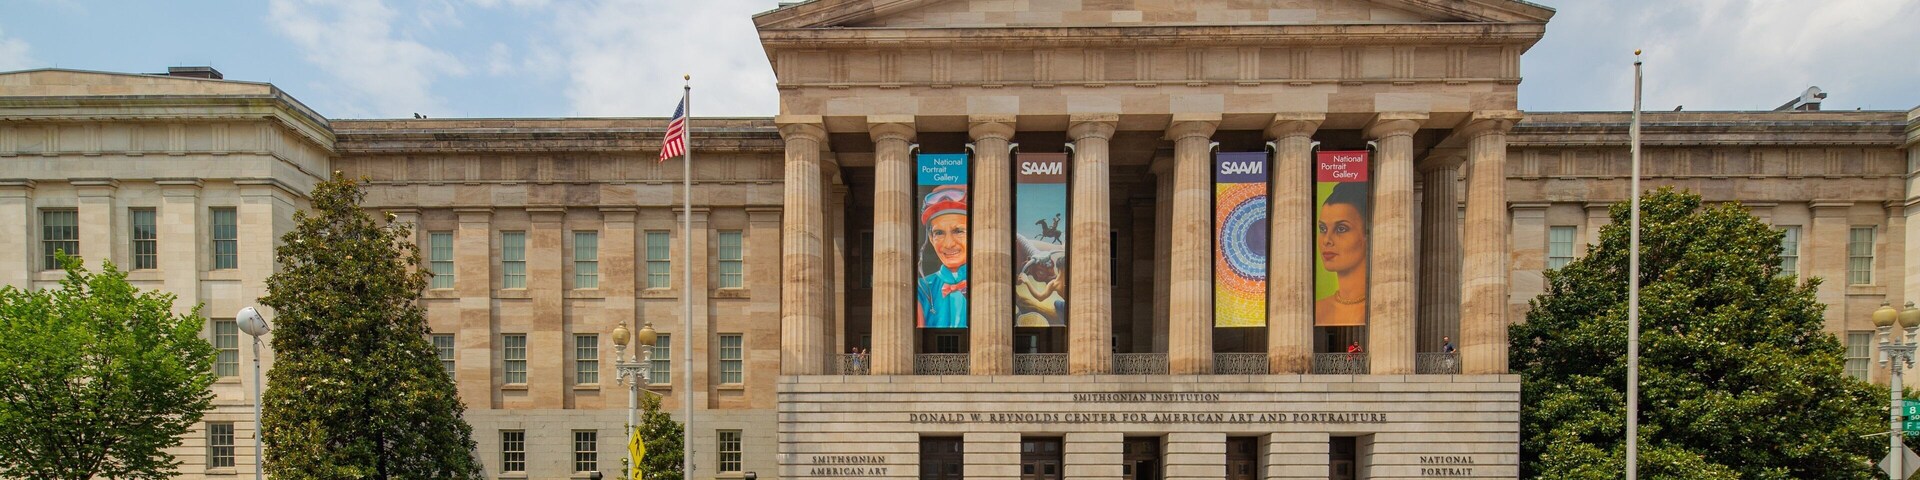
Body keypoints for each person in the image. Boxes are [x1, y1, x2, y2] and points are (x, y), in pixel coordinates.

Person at [1315, 182, 1370, 327]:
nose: (1327, 240)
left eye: (1341, 228)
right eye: (1322, 228)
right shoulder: (1318, 310)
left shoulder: (1384, 307)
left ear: (1367, 236)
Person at [917, 185, 970, 328]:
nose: (948, 244)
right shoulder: (920, 289)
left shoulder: (989, 284)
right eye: (939, 233)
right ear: (930, 237)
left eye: (958, 231)